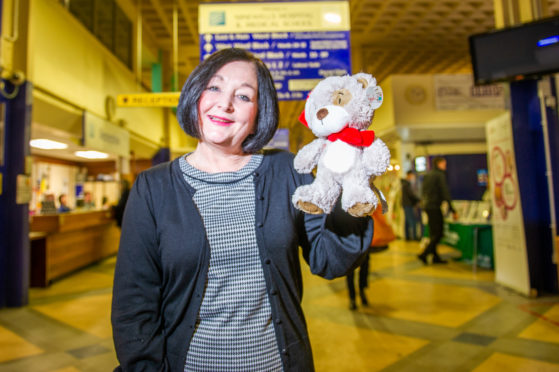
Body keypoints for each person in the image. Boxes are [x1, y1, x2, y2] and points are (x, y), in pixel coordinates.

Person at [111, 48, 374, 372]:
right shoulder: (153, 188)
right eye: (215, 87)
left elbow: (330, 260)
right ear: (196, 95)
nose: (225, 103)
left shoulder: (287, 171)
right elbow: (134, 303)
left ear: (258, 114)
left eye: (244, 96)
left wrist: (352, 185)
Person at [418, 157, 458, 265]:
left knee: (433, 233)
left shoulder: (427, 175)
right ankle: (424, 254)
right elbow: (445, 192)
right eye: (444, 164)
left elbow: (423, 191)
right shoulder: (440, 175)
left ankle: (435, 257)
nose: (445, 166)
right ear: (439, 164)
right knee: (438, 233)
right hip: (435, 206)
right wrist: (452, 209)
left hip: (427, 206)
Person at [401, 170, 421, 241]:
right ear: (409, 175)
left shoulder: (404, 184)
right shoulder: (407, 184)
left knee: (407, 221)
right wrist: (418, 200)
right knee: (412, 221)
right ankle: (414, 237)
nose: (413, 177)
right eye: (412, 176)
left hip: (405, 204)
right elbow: (411, 195)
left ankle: (407, 236)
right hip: (408, 205)